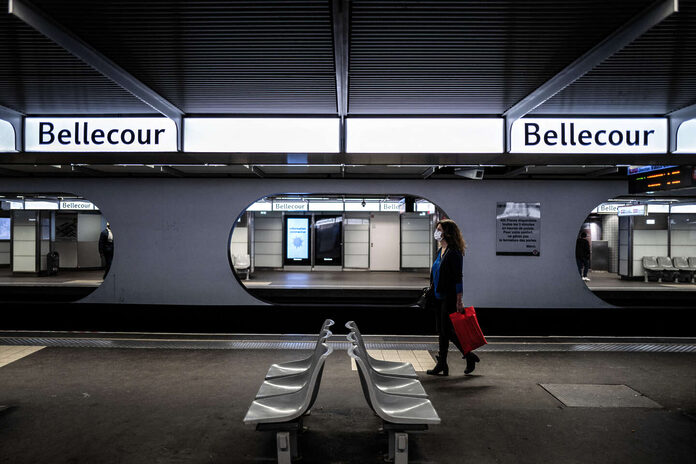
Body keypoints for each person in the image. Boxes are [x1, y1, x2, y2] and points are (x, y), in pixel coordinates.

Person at [426, 219, 480, 376]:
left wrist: (459, 300)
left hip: (448, 297)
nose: (437, 232)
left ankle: (467, 356)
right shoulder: (440, 251)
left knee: (446, 331)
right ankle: (443, 364)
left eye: (439, 229)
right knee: (442, 332)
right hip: (437, 296)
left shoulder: (454, 252)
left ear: (447, 232)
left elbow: (458, 277)